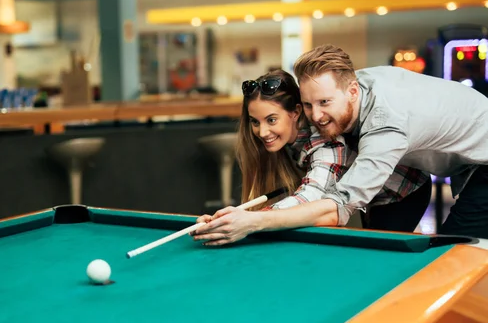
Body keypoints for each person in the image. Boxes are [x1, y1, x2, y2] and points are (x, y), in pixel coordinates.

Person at [192, 44, 488, 245]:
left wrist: (252, 221)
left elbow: (338, 205)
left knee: (454, 253)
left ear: (352, 91)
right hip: (461, 160)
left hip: (480, 162)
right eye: (308, 104)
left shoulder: (385, 125)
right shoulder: (350, 84)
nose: (316, 116)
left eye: (324, 103)